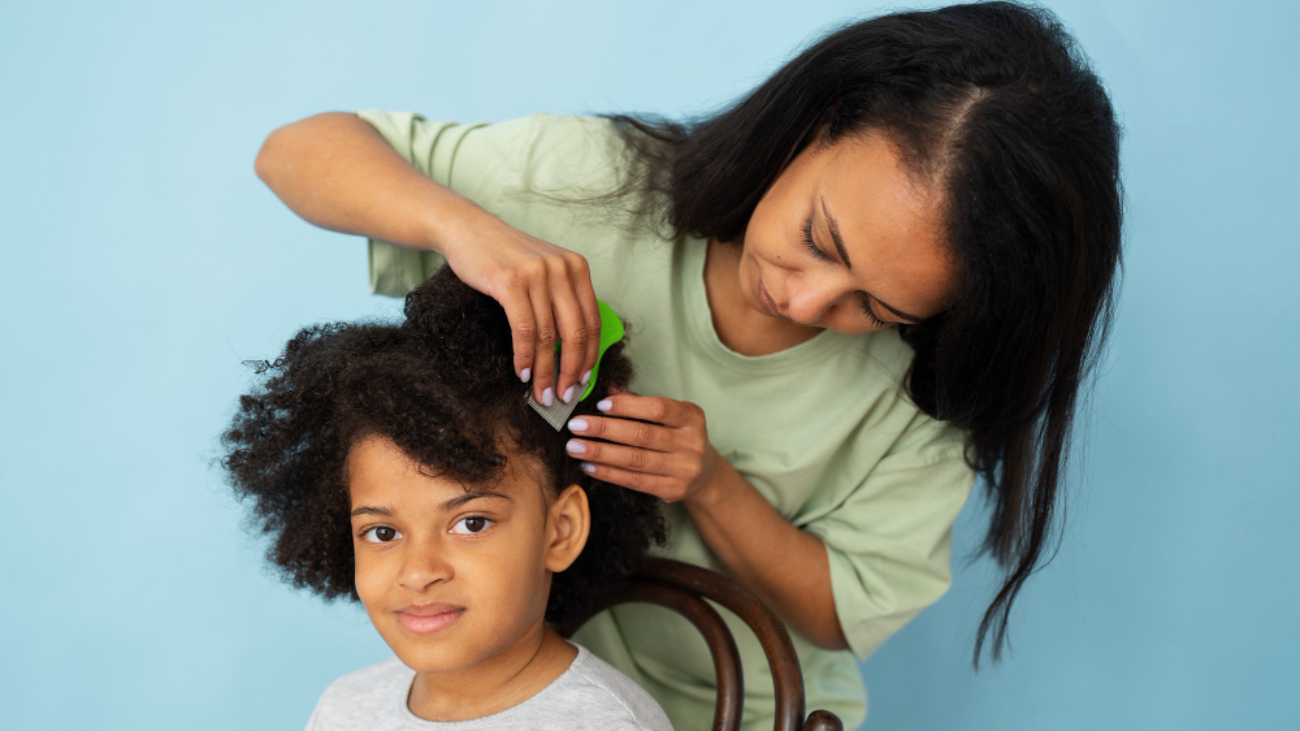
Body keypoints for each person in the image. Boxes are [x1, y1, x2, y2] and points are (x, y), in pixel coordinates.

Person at [253, 2, 1123, 728]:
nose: (810, 300)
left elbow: (838, 612)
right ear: (814, 125)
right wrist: (463, 228)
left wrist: (710, 481)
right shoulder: (587, 185)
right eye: (819, 239)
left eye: (878, 308)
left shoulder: (915, 393)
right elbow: (295, 150)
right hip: (497, 686)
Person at [221, 268, 673, 730]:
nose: (419, 573)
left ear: (561, 530)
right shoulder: (346, 708)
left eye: (471, 523)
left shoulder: (605, 722)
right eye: (382, 532)